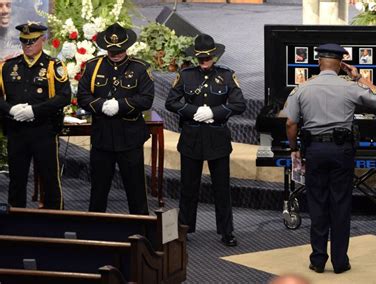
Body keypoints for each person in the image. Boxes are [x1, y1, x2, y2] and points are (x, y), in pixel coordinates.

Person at [285, 43, 376, 274]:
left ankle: (318, 260)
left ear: (319, 62)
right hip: (342, 152)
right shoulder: (350, 86)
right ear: (341, 65)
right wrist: (360, 76)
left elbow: (291, 123)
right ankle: (340, 262)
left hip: (314, 151)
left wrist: (295, 149)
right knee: (340, 205)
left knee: (318, 204)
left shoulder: (303, 88)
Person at [165, 34, 246, 246]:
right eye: (200, 60)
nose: (204, 63)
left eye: (208, 59)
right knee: (188, 187)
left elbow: (239, 104)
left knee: (222, 188)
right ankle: (184, 229)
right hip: (192, 136)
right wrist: (193, 111)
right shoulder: (186, 75)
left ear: (214, 57)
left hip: (217, 136)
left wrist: (214, 112)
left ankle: (226, 231)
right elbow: (171, 102)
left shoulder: (227, 76)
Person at [77, 23, 154, 215]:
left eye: (119, 50)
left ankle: (141, 234)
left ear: (126, 48)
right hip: (102, 138)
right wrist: (102, 105)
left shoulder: (140, 68)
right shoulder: (94, 66)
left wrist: (120, 105)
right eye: (112, 51)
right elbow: (83, 96)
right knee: (98, 191)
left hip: (129, 138)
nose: (116, 54)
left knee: (136, 191)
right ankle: (94, 234)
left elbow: (146, 99)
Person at [0, 22, 71, 209]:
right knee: (16, 180)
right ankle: (16, 225)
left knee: (50, 179)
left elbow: (64, 97)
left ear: (43, 40)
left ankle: (55, 222)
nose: (28, 45)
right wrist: (10, 109)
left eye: (32, 41)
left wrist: (34, 110)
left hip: (43, 131)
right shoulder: (8, 66)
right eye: (24, 41)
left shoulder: (53, 66)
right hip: (17, 132)